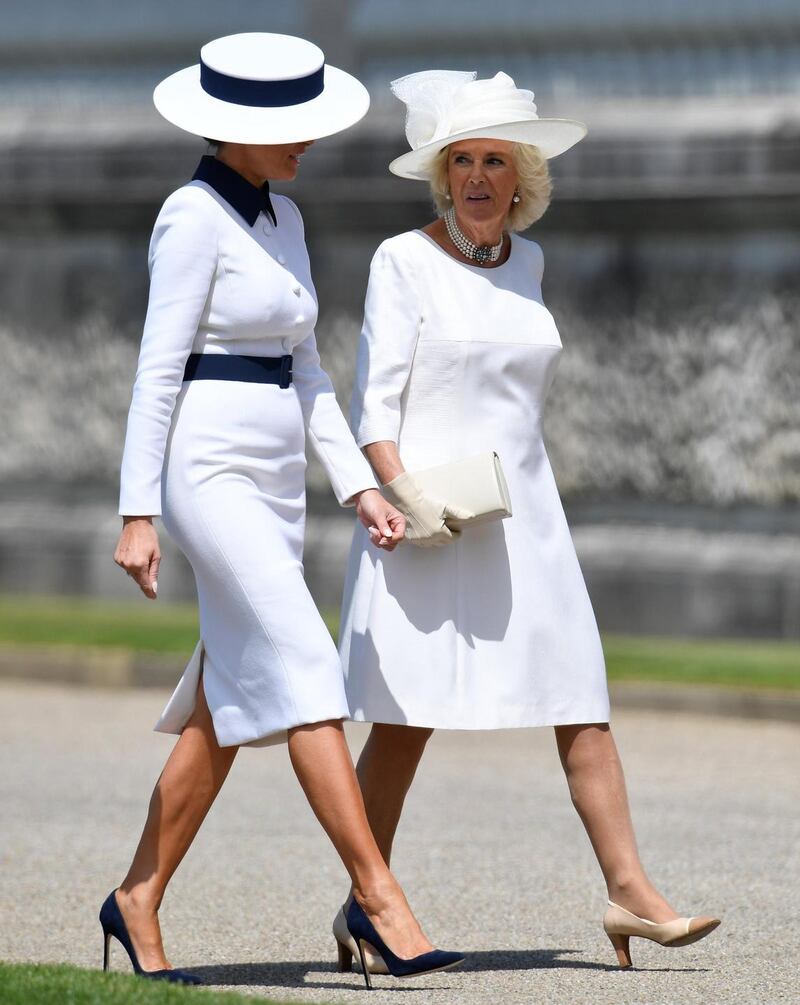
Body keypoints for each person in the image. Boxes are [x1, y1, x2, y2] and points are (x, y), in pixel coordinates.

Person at [338, 69, 721, 970]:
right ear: (443, 174)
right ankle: (367, 900)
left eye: (495, 161)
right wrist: (404, 493)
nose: (477, 176)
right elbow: (372, 409)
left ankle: (631, 893)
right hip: (429, 520)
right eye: (461, 159)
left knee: (579, 695)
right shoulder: (402, 259)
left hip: (528, 515)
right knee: (405, 719)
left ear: (523, 177)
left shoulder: (533, 262)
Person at [107, 35, 462, 989]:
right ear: (235, 131)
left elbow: (308, 371)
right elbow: (155, 370)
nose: (306, 141)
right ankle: (379, 898)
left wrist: (358, 485)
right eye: (288, 128)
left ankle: (136, 896)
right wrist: (139, 510)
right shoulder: (189, 216)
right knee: (306, 663)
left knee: (228, 702)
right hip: (206, 467)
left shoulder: (287, 218)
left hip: (273, 479)